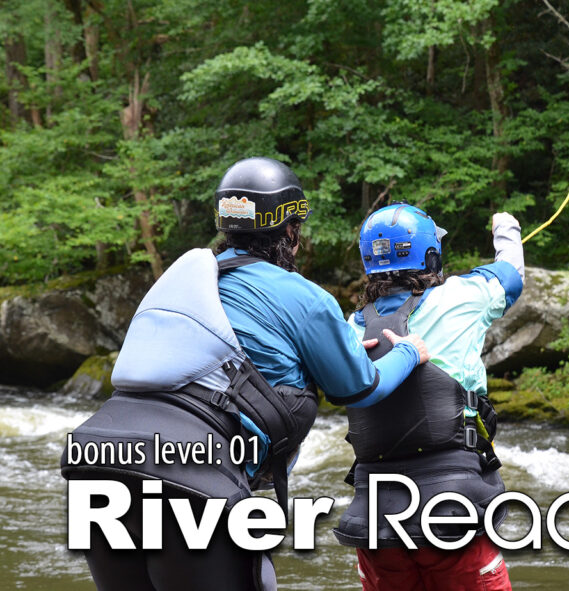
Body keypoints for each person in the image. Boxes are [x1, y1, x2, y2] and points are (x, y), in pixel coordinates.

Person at [61, 158, 429, 591]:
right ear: (290, 231)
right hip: (190, 474)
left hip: (99, 462)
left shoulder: (191, 283)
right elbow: (363, 388)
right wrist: (407, 353)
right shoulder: (305, 297)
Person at [333, 202, 525, 591]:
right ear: (432, 256)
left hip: (375, 519)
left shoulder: (347, 329)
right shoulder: (464, 296)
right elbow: (512, 273)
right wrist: (506, 227)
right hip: (453, 510)